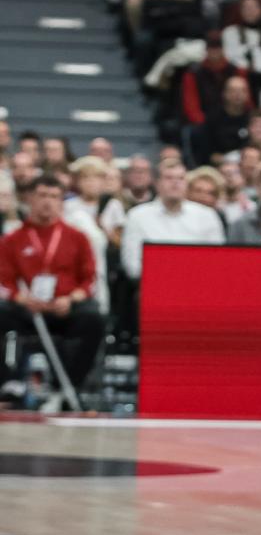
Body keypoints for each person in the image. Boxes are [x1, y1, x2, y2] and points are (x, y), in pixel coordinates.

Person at [0, 176, 106, 410]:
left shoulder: (77, 238)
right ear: (29, 199)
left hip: (65, 307)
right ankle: (9, 382)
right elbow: (4, 281)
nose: (48, 202)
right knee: (2, 312)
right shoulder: (12, 240)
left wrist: (70, 299)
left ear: (62, 202)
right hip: (28, 310)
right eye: (42, 196)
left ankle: (67, 387)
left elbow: (89, 280)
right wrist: (22, 299)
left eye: (54, 197)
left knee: (94, 319)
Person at [119, 158, 227, 281]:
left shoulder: (207, 216)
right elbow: (132, 267)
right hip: (153, 288)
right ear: (157, 183)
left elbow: (217, 262)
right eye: (169, 178)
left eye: (180, 178)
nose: (175, 183)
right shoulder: (137, 216)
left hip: (198, 286)